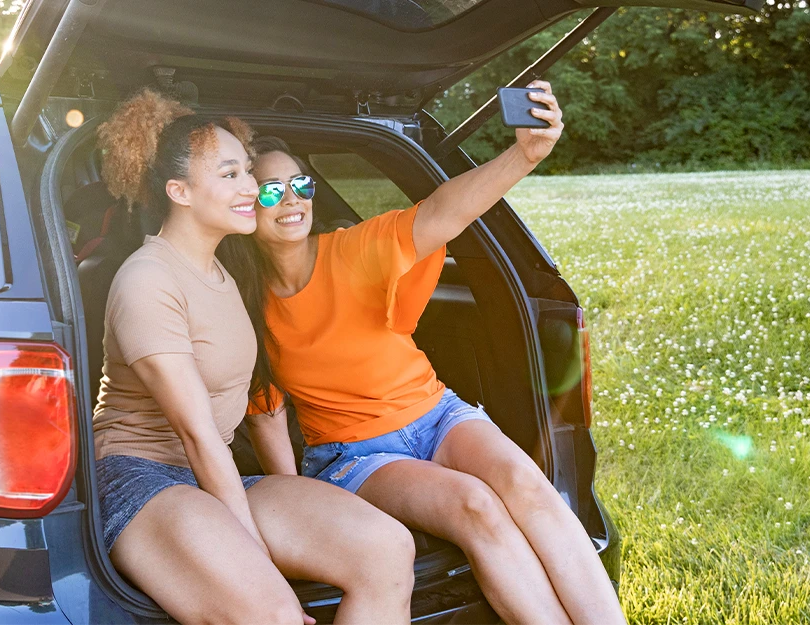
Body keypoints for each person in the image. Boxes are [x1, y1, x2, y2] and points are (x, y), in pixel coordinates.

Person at [223, 82, 626, 624]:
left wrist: (524, 154)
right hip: (354, 456)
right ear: (248, 205)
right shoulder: (246, 305)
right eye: (270, 191)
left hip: (438, 413)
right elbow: (268, 414)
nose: (291, 200)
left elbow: (444, 211)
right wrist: (295, 509)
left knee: (526, 484)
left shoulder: (353, 249)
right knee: (476, 507)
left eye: (299, 183)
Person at [91, 89, 415, 625]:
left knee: (386, 550)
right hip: (140, 479)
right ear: (180, 191)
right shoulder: (148, 279)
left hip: (213, 475)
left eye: (246, 171)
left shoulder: (225, 272)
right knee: (273, 615)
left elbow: (257, 405)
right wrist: (259, 557)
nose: (250, 188)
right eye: (229, 175)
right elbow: (195, 431)